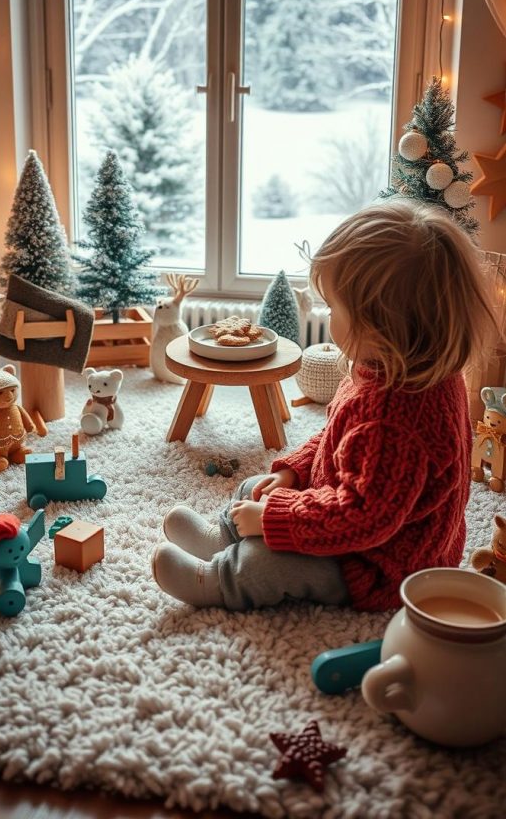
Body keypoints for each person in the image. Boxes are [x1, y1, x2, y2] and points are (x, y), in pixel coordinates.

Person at [152, 200, 496, 611]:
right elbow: (336, 437)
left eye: (333, 307)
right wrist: (293, 473)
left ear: (379, 324)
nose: (326, 314)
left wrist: (273, 519)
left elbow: (360, 518)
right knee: (256, 487)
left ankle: (219, 579)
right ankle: (222, 537)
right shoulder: (385, 368)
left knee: (266, 562)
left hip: (380, 562)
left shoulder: (397, 422)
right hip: (344, 508)